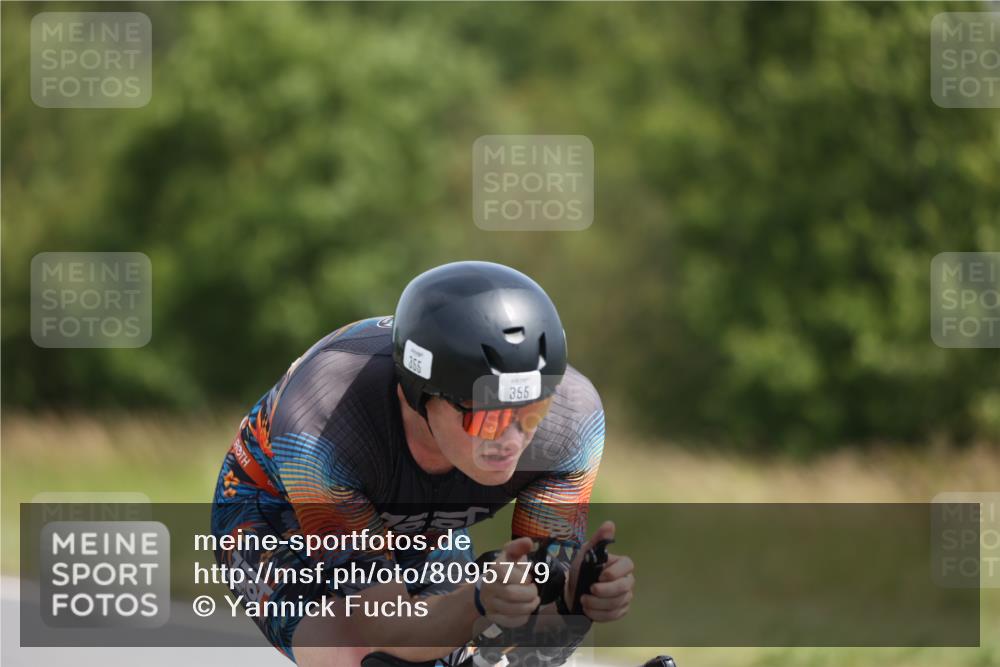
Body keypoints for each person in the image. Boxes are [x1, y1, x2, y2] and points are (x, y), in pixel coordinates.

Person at [210, 261, 634, 666]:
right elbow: (383, 629)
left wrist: (574, 603)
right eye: (490, 417)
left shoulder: (572, 423)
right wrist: (478, 600)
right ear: (419, 393)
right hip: (276, 512)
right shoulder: (327, 425)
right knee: (353, 654)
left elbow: (533, 624)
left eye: (532, 413)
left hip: (422, 525)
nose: (513, 441)